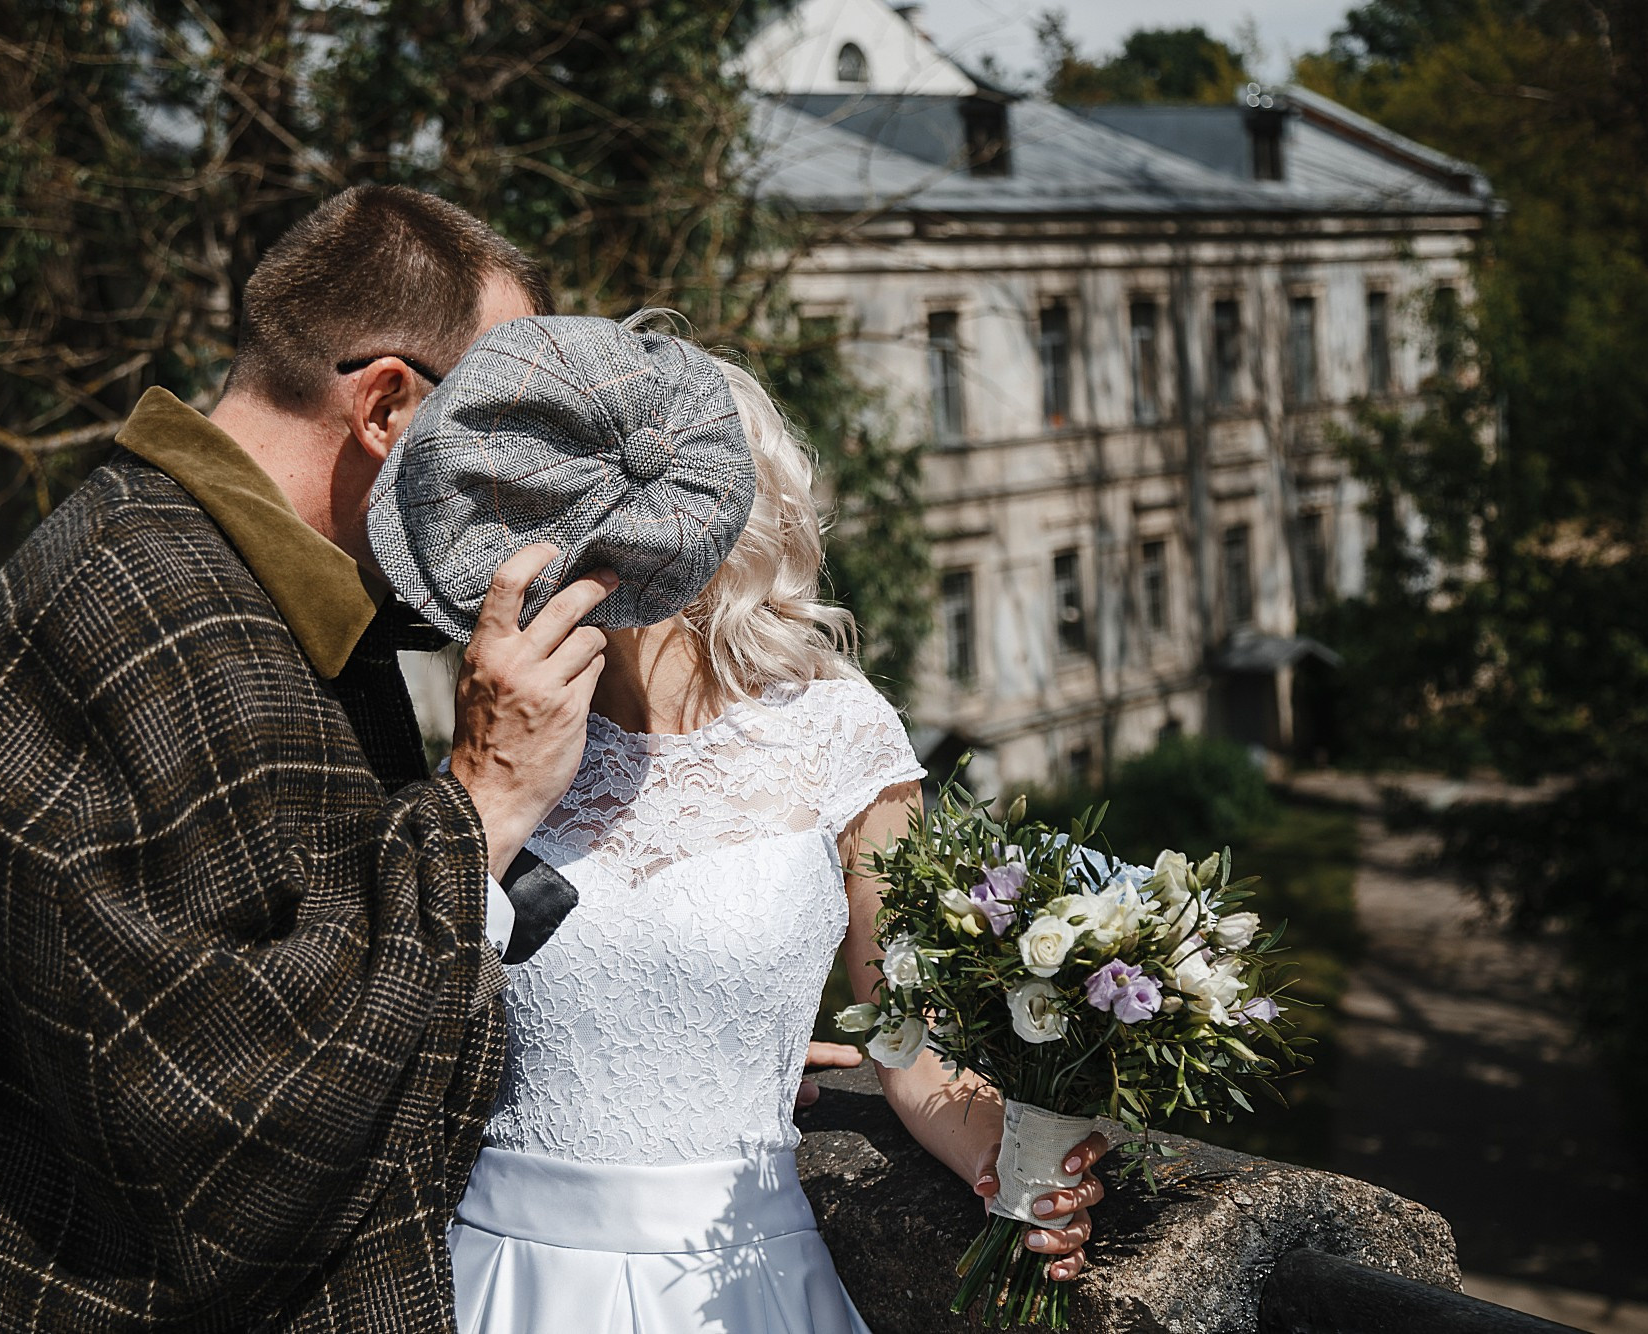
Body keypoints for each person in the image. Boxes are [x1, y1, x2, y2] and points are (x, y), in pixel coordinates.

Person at [0, 185, 610, 1334]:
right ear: (386, 403)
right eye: (510, 434)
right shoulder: (141, 608)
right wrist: (477, 800)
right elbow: (229, 1141)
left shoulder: (269, 590)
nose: (520, 498)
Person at [363, 314, 1108, 1333]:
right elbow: (404, 1012)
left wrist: (1007, 1158)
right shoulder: (492, 733)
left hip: (739, 1281)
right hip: (496, 1274)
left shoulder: (839, 733)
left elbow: (910, 1047)